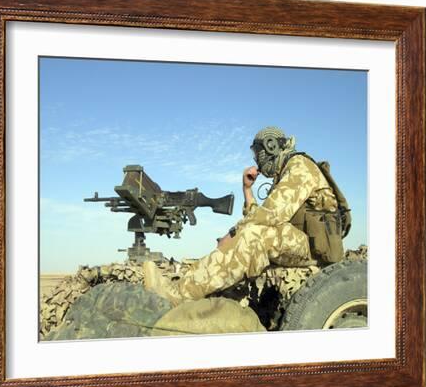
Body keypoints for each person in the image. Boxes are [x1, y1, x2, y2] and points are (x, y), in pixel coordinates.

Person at [143, 126, 348, 306]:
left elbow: (269, 216)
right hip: (302, 241)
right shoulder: (285, 172)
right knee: (250, 233)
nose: (256, 159)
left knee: (252, 237)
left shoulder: (299, 167)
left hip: (316, 249)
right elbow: (261, 217)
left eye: (257, 153)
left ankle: (178, 295)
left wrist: (233, 233)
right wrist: (247, 189)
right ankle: (185, 284)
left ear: (270, 146)